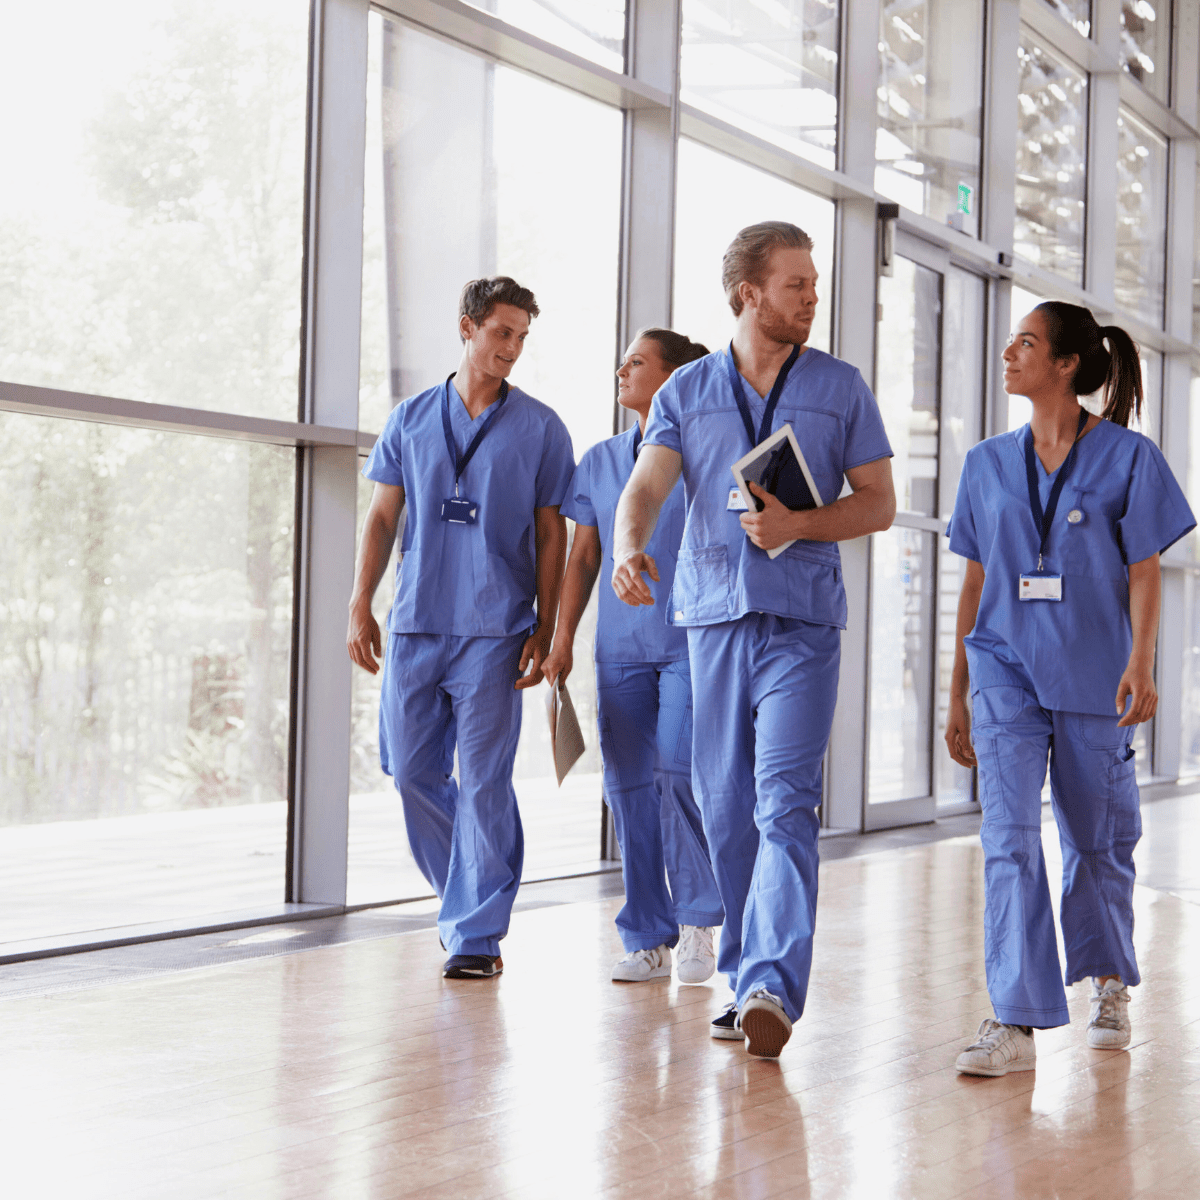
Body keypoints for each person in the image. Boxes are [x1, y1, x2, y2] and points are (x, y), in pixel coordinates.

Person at [612, 222, 896, 1057]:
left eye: (813, 283)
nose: (813, 297)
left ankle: (772, 978)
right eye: (797, 284)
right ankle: (744, 975)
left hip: (803, 623)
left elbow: (877, 501)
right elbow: (646, 487)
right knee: (727, 808)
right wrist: (630, 547)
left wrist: (802, 523)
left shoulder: (841, 388)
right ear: (749, 294)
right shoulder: (687, 391)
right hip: (712, 620)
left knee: (783, 802)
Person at [945, 302, 1195, 1077]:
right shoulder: (986, 462)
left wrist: (1142, 662)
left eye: (1027, 342)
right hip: (1004, 672)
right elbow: (976, 577)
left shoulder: (1129, 457)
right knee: (1008, 839)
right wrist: (956, 689)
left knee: (1097, 841)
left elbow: (1146, 566)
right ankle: (1014, 1019)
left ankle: (1110, 980)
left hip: (1094, 672)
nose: (1010, 350)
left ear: (1066, 366)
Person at [347, 276, 574, 981]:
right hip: (417, 622)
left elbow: (550, 534)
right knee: (411, 772)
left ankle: (476, 933)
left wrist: (546, 622)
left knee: (483, 783)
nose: (512, 348)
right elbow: (384, 517)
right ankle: (464, 897)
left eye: (521, 337)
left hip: (496, 628)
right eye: (502, 332)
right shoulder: (411, 419)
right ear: (467, 328)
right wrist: (361, 602)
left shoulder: (540, 427)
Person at [542, 328, 724, 986]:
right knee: (627, 791)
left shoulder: (706, 457)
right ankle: (649, 934)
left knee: (677, 772)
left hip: (690, 643)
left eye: (638, 362)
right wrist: (561, 640)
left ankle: (700, 918)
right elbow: (583, 556)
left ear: (676, 378)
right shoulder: (599, 460)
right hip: (618, 652)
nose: (622, 369)